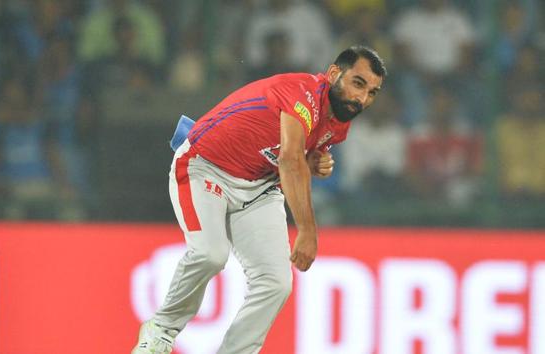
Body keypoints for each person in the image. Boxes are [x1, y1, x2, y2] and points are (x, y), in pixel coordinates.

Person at [132, 45, 386, 354]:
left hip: (259, 187)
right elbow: (289, 160)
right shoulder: (303, 92)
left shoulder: (339, 122)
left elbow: (289, 154)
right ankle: (160, 330)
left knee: (276, 283)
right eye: (358, 83)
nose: (362, 99)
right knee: (211, 254)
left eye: (372, 92)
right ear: (334, 73)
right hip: (205, 168)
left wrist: (312, 160)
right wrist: (306, 230)